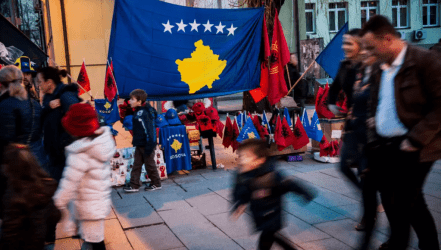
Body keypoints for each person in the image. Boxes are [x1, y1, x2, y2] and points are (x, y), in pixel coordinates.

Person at [361, 15, 441, 250]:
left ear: (387, 39)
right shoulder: (379, 67)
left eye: (370, 46)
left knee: (405, 202)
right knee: (395, 199)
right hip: (386, 145)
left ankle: (404, 244)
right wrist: (374, 125)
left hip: (416, 146)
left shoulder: (424, 61)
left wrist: (416, 138)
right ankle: (414, 243)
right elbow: (375, 102)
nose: (367, 52)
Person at [230, 139, 316, 250]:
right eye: (241, 157)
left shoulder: (272, 175)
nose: (242, 161)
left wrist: (305, 193)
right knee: (271, 236)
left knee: (268, 236)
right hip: (258, 212)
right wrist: (240, 204)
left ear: (260, 160)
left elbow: (289, 184)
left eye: (246, 157)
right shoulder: (242, 175)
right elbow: (240, 191)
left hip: (272, 212)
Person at [53, 103, 116, 250]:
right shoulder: (100, 143)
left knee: (94, 242)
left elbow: (69, 183)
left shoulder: (80, 154)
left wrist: (58, 201)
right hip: (98, 202)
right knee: (95, 240)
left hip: (87, 207)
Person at [0, 144, 59, 250]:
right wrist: (49, 236)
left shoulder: (14, 197)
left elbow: (10, 233)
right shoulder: (47, 185)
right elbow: (55, 215)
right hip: (40, 240)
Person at [0, 65, 48, 173]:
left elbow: (5, 140)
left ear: (2, 84)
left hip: (15, 165)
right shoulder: (34, 103)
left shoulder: (4, 105)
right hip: (38, 160)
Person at [37, 66, 81, 182]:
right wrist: (48, 107)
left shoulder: (66, 96)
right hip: (54, 154)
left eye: (40, 82)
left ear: (49, 83)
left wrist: (65, 143)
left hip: (65, 155)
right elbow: (43, 119)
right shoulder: (48, 98)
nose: (38, 85)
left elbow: (79, 120)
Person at [123, 89, 161, 192]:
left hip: (146, 143)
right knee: (137, 164)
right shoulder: (139, 112)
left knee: (149, 164)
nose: (129, 101)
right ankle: (134, 184)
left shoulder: (142, 113)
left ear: (139, 101)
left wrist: (150, 144)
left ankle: (156, 183)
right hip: (140, 143)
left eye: (132, 99)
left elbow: (149, 129)